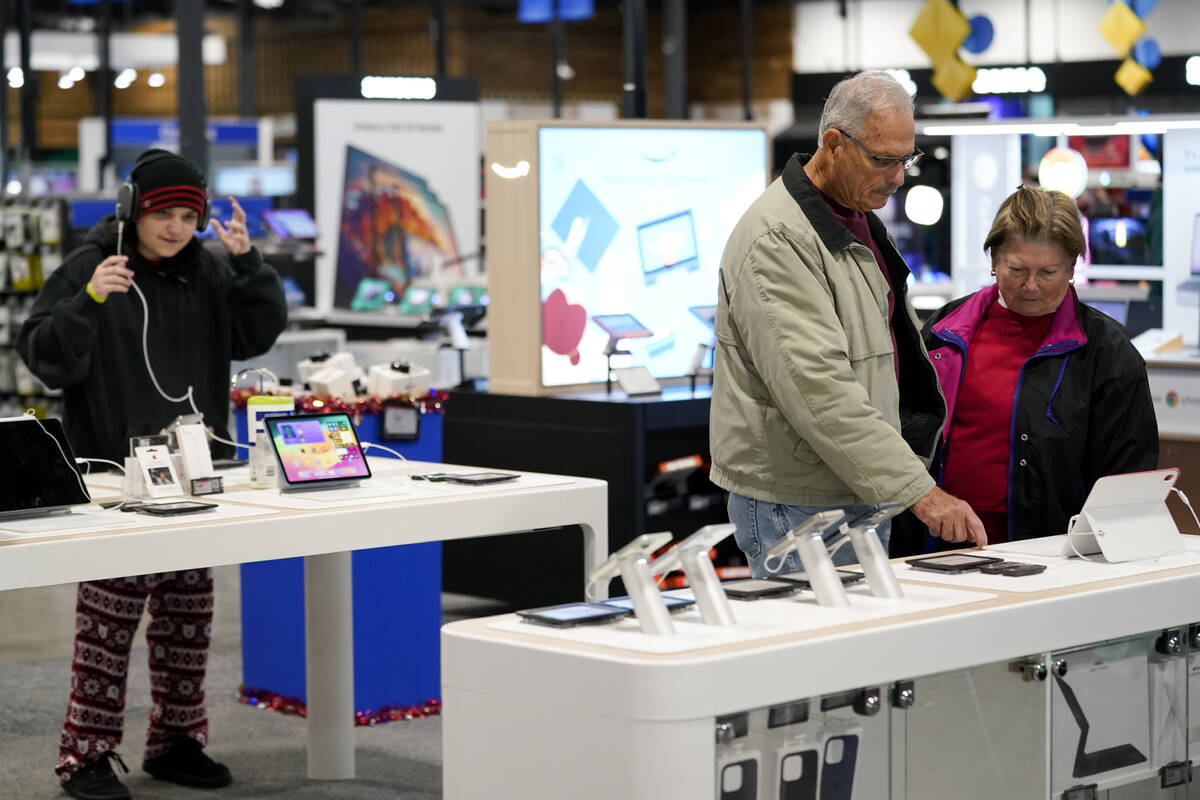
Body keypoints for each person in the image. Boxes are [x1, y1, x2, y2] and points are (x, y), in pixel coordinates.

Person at [17, 149, 287, 800]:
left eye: (187, 215)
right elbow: (44, 357)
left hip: (198, 473)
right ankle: (85, 755)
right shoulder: (93, 269)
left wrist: (249, 261)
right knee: (107, 626)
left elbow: (257, 334)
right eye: (163, 212)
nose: (174, 227)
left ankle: (176, 742)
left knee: (187, 619)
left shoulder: (211, 273)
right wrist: (87, 299)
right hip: (115, 480)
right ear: (133, 209)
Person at [709, 70, 985, 578]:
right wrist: (919, 492)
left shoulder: (854, 217)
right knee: (814, 656)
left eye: (907, 158)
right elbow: (820, 390)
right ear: (833, 144)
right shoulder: (778, 240)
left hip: (852, 487)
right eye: (883, 159)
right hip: (798, 501)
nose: (899, 176)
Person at [896, 185, 1158, 551]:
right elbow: (903, 434)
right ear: (994, 261)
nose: (1031, 286)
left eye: (1048, 272)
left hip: (1052, 558)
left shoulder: (1106, 351)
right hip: (935, 550)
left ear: (1072, 266)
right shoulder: (943, 331)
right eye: (1016, 269)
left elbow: (1127, 478)